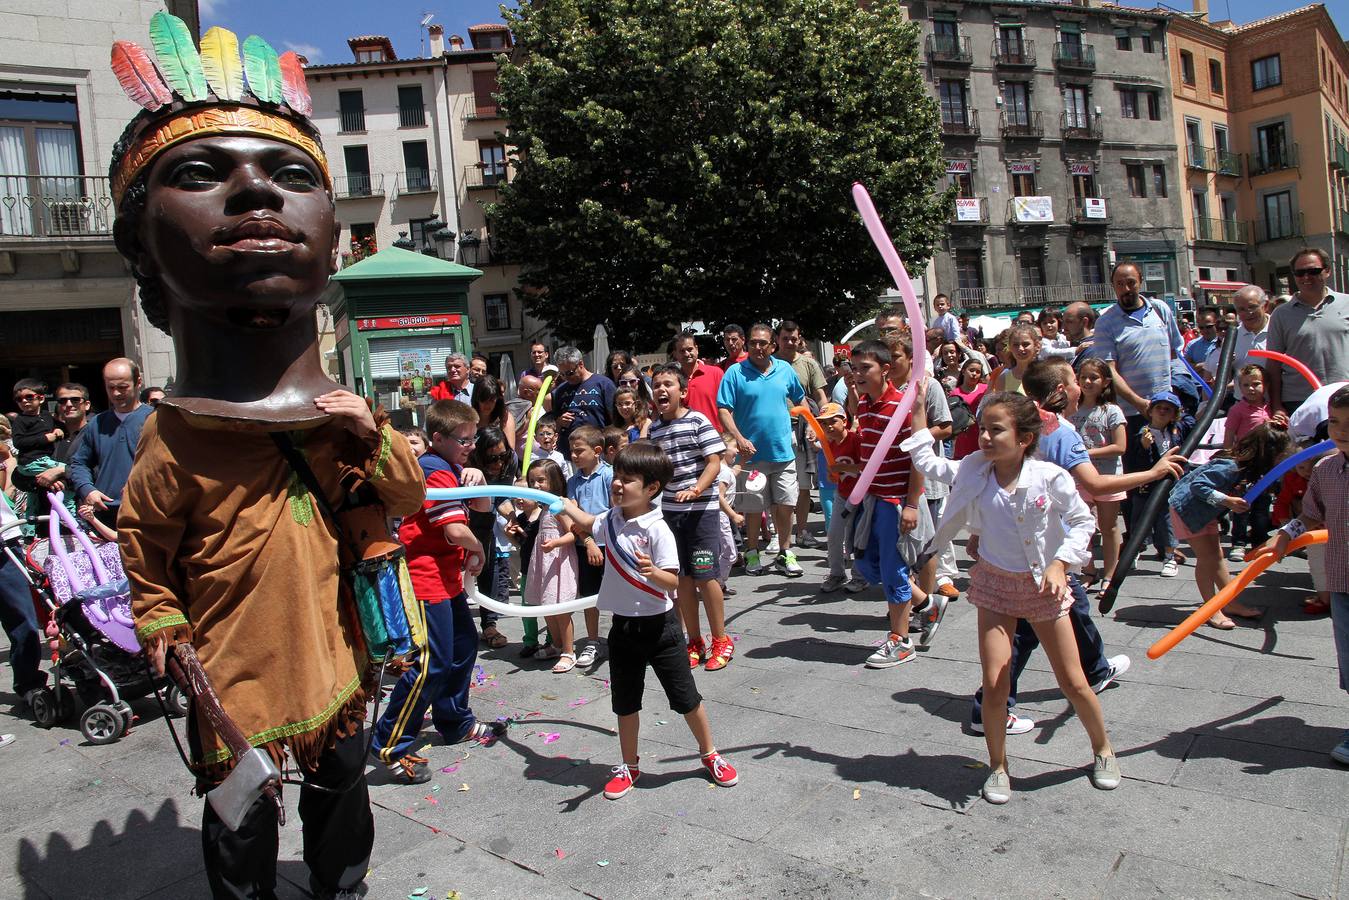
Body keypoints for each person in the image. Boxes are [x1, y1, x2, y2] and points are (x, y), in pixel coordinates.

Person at [108, 20, 426, 894]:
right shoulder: (171, 437)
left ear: (330, 238)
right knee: (240, 825)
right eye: (203, 174)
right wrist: (165, 627)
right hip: (234, 672)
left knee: (341, 800)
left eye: (292, 176)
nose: (257, 194)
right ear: (140, 246)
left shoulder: (342, 417)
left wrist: (369, 432)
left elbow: (402, 500)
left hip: (335, 656)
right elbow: (146, 552)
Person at [904, 390, 1120, 803]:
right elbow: (929, 463)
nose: (985, 437)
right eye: (982, 429)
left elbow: (1081, 521)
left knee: (1074, 682)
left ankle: (1103, 749)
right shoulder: (973, 467)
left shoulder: (1050, 476)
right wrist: (917, 416)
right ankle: (998, 766)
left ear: (1024, 438)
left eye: (996, 430)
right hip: (995, 585)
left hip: (1042, 586)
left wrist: (1060, 563)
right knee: (994, 683)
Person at [561, 442, 740, 799]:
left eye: (628, 480)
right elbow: (585, 522)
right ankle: (630, 765)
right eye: (617, 477)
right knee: (625, 703)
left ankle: (710, 754)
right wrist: (558, 502)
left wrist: (652, 571)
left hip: (662, 630)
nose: (618, 484)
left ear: (651, 489)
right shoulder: (610, 520)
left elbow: (674, 582)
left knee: (686, 698)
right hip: (623, 629)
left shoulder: (657, 527)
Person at [372, 400, 501, 781]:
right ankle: (390, 744)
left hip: (444, 579)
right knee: (431, 663)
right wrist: (477, 549)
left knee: (463, 647)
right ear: (439, 438)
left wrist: (475, 476)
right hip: (425, 579)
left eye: (473, 437)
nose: (470, 444)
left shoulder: (450, 467)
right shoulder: (433, 469)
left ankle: (454, 721)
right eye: (463, 439)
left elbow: (482, 506)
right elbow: (455, 529)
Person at [831, 339, 926, 668]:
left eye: (865, 368)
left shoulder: (903, 407)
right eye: (854, 368)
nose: (857, 374)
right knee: (866, 565)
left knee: (891, 567)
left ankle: (900, 640)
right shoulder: (865, 407)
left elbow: (918, 462)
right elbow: (871, 455)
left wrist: (911, 504)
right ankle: (926, 604)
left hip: (894, 500)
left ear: (886, 370)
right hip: (871, 500)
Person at [1267, 385, 1349, 764]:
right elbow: (1312, 514)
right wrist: (1286, 534)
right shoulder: (1326, 468)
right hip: (1343, 581)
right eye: (1334, 422)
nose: (1342, 430)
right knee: (1348, 658)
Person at [648, 366, 732, 671]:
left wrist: (697, 489)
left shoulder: (698, 420)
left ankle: (721, 639)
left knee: (705, 574)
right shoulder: (654, 429)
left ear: (682, 391)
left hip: (702, 511)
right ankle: (693, 640)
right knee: (681, 578)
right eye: (656, 385)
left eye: (667, 384)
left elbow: (714, 461)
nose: (661, 390)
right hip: (671, 512)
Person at [1170, 423, 1290, 630]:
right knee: (1207, 559)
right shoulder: (1229, 466)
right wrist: (1228, 501)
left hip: (1204, 511)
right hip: (1187, 510)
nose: (1281, 460)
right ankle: (1210, 609)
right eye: (1280, 455)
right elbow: (1198, 486)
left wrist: (1232, 501)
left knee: (1216, 558)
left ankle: (1230, 601)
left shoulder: (1244, 468)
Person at [716, 323, 806, 577]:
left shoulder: (784, 370)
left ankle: (785, 553)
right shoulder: (735, 373)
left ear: (772, 346)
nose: (757, 347)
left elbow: (800, 399)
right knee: (754, 508)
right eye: (753, 342)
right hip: (751, 455)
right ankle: (753, 551)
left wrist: (812, 425)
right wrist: (738, 438)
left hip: (783, 452)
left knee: (786, 504)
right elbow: (724, 408)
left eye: (762, 343)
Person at [67, 358, 153, 528]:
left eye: (122, 387)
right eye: (110, 388)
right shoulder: (97, 423)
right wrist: (87, 489)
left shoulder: (156, 419)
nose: (116, 393)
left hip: (147, 512)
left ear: (138, 382)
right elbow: (79, 463)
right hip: (106, 514)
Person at [1266, 249, 1349, 423]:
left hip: (1344, 396)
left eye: (1313, 271)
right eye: (1300, 272)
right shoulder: (1281, 314)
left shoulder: (1347, 303)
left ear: (1327, 271)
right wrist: (1276, 405)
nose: (1306, 277)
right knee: (1306, 449)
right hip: (1300, 400)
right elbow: (1273, 364)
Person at [522, 458, 582, 672]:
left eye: (540, 480)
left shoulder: (559, 505)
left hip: (558, 561)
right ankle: (556, 645)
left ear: (554, 481)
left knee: (561, 610)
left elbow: (572, 534)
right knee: (547, 606)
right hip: (544, 562)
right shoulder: (545, 506)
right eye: (532, 481)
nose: (535, 485)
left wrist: (556, 542)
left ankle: (568, 651)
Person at [1071, 359, 1127, 587]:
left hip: (1108, 477)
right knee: (1081, 524)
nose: (1087, 382)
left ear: (1105, 382)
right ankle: (1089, 570)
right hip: (1079, 477)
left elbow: (1120, 446)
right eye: (1083, 377)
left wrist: (1086, 453)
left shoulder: (1112, 410)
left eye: (1093, 377)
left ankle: (1110, 573)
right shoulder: (1072, 410)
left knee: (1109, 525)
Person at [1124, 391, 1191, 577]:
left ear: (1174, 414)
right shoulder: (1142, 434)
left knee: (1166, 523)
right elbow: (1136, 462)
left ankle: (1169, 556)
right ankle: (1134, 552)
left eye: (1167, 409)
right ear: (1151, 411)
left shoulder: (1176, 432)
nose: (1162, 412)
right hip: (1145, 486)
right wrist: (1144, 447)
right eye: (1159, 408)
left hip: (1167, 487)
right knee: (1138, 522)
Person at [775, 321, 827, 550]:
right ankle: (780, 534)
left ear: (799, 339)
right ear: (777, 339)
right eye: (785, 338)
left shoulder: (808, 364)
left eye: (793, 338)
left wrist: (819, 425)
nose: (789, 343)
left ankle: (802, 530)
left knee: (803, 484)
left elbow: (821, 396)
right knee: (777, 484)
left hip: (802, 428)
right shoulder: (768, 364)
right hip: (775, 431)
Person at [468, 425, 518, 650]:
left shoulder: (511, 460)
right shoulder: (469, 462)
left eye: (502, 456)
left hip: (485, 517)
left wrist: (513, 518)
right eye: (492, 459)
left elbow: (501, 497)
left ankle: (489, 624)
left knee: (488, 568)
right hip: (463, 515)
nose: (498, 463)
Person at [566, 424, 612, 669]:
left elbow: (615, 513)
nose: (574, 456)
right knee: (589, 595)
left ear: (597, 450)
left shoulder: (609, 475)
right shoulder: (573, 481)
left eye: (578, 451)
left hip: (611, 545)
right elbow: (573, 516)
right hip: (588, 546)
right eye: (572, 451)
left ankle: (621, 636)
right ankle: (593, 640)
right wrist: (588, 541)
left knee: (618, 592)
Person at [818, 402, 864, 594]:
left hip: (861, 496)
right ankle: (837, 573)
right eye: (824, 423)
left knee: (860, 538)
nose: (829, 426)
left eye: (833, 422)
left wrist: (842, 469)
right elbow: (835, 472)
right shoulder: (829, 445)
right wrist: (834, 475)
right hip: (842, 495)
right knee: (834, 534)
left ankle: (860, 576)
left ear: (844, 421)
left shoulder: (855, 440)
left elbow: (865, 466)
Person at [546, 347, 615, 446]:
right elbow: (552, 425)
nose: (566, 378)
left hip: (598, 448)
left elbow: (615, 419)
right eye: (562, 374)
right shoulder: (560, 391)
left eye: (570, 373)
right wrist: (559, 422)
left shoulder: (603, 384)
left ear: (581, 364)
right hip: (568, 452)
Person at [671, 331, 724, 425]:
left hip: (715, 435)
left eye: (690, 349)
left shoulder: (716, 373)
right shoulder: (673, 379)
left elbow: (727, 408)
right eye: (682, 351)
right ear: (675, 354)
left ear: (697, 349)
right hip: (685, 436)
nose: (687, 354)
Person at [950, 358, 988, 460]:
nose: (974, 374)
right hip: (963, 440)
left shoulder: (985, 389)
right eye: (971, 370)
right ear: (963, 371)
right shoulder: (955, 393)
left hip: (981, 436)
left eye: (978, 372)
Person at [471, 374, 517, 451]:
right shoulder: (469, 418)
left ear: (497, 398)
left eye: (492, 400)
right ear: (476, 398)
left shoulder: (504, 417)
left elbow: (510, 450)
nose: (487, 405)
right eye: (483, 400)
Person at [994, 322, 1040, 394]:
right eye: (1016, 345)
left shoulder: (1046, 374)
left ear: (1037, 346)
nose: (1020, 348)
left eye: (1025, 344)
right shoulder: (1003, 378)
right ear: (1010, 347)